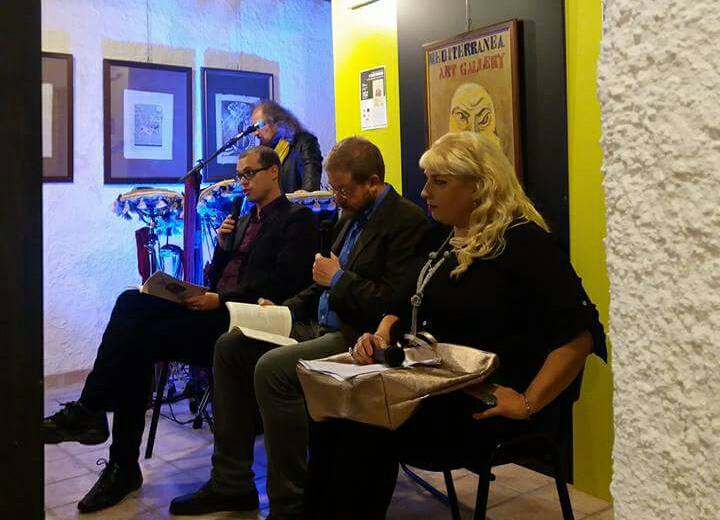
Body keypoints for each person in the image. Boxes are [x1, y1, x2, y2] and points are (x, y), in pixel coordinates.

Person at [307, 131, 608, 519]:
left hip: (483, 402)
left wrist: (528, 401)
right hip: (433, 384)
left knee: (362, 424)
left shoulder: (525, 243)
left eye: (439, 182)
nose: (425, 192)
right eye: (428, 180)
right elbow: (402, 302)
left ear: (479, 186)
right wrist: (378, 335)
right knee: (331, 412)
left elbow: (581, 333)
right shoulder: (445, 237)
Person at [42, 146, 318, 514]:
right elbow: (217, 277)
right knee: (131, 301)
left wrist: (219, 299)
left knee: (136, 339)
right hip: (216, 310)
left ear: (273, 172)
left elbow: (281, 285)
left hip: (246, 322)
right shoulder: (241, 218)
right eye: (239, 175)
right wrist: (223, 249)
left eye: (250, 173)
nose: (243, 182)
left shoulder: (296, 219)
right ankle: (104, 436)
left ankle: (104, 436)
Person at [170, 136, 432, 519]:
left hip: (356, 334)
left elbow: (394, 301)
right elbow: (318, 283)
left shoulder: (406, 221)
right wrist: (284, 310)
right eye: (333, 189)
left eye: (344, 190)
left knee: (272, 369)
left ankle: (288, 504)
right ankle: (231, 483)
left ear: (374, 182)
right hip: (317, 323)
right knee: (231, 346)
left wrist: (339, 279)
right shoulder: (351, 214)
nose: (337, 199)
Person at [251, 100, 323, 193]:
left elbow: (310, 190)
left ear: (276, 121)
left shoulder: (304, 143)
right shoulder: (264, 153)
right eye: (253, 128)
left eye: (259, 126)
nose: (256, 133)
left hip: (295, 202)